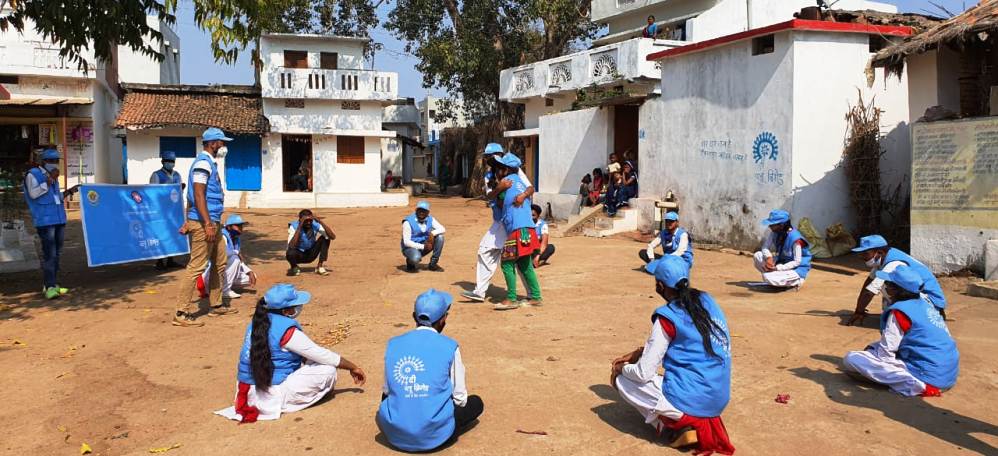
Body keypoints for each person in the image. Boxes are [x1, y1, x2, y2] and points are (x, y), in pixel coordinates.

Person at [611, 256, 735, 454]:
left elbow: (644, 373)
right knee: (646, 373)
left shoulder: (667, 317)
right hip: (718, 397)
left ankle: (668, 428)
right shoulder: (706, 300)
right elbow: (692, 341)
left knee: (622, 380)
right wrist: (639, 352)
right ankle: (678, 423)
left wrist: (621, 368)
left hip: (691, 399)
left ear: (660, 285)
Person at [215, 284, 367, 423]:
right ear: (286, 311)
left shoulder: (256, 322)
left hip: (247, 391)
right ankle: (298, 400)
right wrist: (353, 367)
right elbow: (321, 354)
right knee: (328, 370)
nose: (299, 307)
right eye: (296, 305)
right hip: (271, 394)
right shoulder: (286, 329)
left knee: (309, 360)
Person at [377, 289, 484, 452]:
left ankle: (402, 422)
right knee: (476, 403)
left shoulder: (393, 344)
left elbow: (387, 389)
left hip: (395, 434)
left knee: (390, 395)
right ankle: (432, 430)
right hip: (435, 436)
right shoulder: (450, 346)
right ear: (443, 320)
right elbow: (460, 398)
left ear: (414, 317)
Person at [842, 266, 959, 397]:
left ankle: (916, 385)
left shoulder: (899, 311)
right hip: (946, 373)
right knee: (873, 348)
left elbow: (886, 353)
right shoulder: (925, 303)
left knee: (851, 359)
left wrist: (875, 364)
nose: (885, 287)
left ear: (893, 290)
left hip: (928, 376)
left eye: (887, 284)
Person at [173, 127, 236, 327]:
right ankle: (181, 312)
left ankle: (216, 305)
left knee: (220, 262)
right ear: (213, 143)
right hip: (204, 223)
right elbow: (198, 194)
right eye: (221, 142)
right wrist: (206, 223)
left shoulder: (210, 164)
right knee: (197, 266)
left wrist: (189, 219)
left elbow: (190, 197)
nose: (223, 146)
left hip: (211, 221)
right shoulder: (203, 164)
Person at [460, 143, 534, 302]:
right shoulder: (489, 177)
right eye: (487, 158)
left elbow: (529, 188)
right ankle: (531, 294)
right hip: (501, 219)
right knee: (516, 257)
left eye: (491, 157)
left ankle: (483, 292)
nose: (489, 160)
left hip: (511, 219)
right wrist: (500, 188)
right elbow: (490, 196)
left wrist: (522, 196)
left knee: (498, 253)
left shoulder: (514, 170)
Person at [845, 235, 948, 326]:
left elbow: (870, 291)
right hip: (925, 300)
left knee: (885, 285)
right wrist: (859, 309)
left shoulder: (893, 264)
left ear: (879, 252)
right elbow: (869, 282)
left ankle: (907, 316)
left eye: (865, 254)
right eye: (861, 254)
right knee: (883, 282)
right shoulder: (885, 256)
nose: (861, 257)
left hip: (932, 303)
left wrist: (858, 311)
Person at [23, 148, 78, 299]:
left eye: (56, 161)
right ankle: (50, 287)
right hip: (45, 220)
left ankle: (51, 284)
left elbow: (55, 198)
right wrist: (49, 181)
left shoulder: (53, 177)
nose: (55, 164)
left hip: (59, 219)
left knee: (57, 253)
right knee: (50, 254)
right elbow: (34, 194)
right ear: (43, 162)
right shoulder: (33, 175)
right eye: (51, 161)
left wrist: (68, 192)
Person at [492, 153, 542, 311]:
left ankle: (512, 298)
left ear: (506, 169)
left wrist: (497, 188)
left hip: (517, 230)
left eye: (500, 167)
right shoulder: (521, 182)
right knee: (524, 263)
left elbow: (493, 199)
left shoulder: (507, 182)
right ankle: (536, 296)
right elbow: (530, 188)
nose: (498, 170)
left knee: (507, 263)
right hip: (528, 229)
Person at [198, 214, 257, 299]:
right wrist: (236, 252)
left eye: (241, 226)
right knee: (235, 259)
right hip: (211, 272)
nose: (240, 228)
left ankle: (223, 286)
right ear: (229, 227)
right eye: (237, 226)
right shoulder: (222, 236)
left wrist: (249, 271)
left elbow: (237, 257)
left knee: (251, 277)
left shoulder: (236, 238)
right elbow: (224, 253)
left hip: (223, 270)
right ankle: (225, 291)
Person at [752, 209, 812, 289]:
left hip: (795, 268)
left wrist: (778, 268)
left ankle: (796, 281)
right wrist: (769, 257)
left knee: (767, 277)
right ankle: (775, 278)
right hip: (781, 262)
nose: (770, 226)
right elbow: (765, 247)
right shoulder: (775, 232)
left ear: (782, 225)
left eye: (773, 224)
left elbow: (797, 262)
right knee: (757, 255)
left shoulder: (795, 239)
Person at [150, 150, 184, 270]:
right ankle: (160, 261)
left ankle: (170, 259)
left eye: (172, 161)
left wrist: (181, 189)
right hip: (160, 211)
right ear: (162, 162)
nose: (170, 163)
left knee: (172, 234)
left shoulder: (177, 175)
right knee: (160, 234)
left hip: (173, 211)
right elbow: (153, 193)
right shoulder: (156, 175)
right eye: (167, 161)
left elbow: (178, 192)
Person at [286, 209, 335, 276]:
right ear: (300, 220)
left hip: (311, 254)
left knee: (326, 238)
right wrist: (300, 226)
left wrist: (320, 222)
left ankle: (319, 266)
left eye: (310, 220)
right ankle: (294, 267)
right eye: (306, 221)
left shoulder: (314, 224)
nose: (309, 223)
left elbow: (332, 237)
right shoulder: (294, 226)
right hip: (298, 255)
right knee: (290, 252)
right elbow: (291, 245)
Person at [401, 200, 446, 272]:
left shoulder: (430, 219)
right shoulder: (408, 222)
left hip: (425, 244)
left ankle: (433, 264)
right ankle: (410, 262)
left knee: (440, 237)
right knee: (415, 258)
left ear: (428, 213)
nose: (421, 212)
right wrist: (423, 246)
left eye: (424, 211)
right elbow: (406, 242)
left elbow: (443, 229)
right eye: (419, 210)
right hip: (410, 248)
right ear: (416, 210)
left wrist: (432, 233)